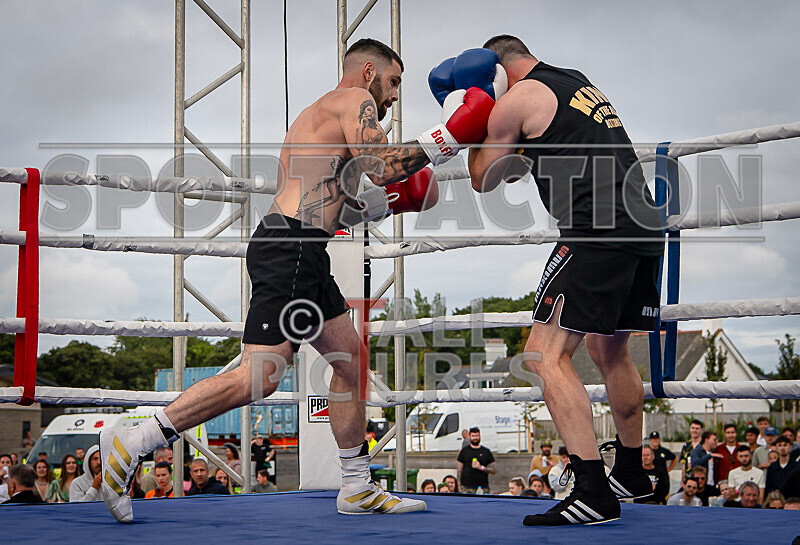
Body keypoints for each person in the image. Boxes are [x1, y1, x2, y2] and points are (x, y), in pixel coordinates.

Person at [98, 36, 492, 523]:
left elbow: (335, 195)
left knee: (349, 362)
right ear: (369, 72)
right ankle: (137, 439)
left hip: (305, 249)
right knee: (259, 376)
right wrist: (450, 135)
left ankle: (356, 486)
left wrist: (381, 203)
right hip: (292, 249)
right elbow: (382, 165)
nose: (393, 97)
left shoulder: (319, 115)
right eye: (392, 83)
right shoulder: (355, 100)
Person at [467, 35, 663, 525]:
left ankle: (593, 492)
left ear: (494, 70)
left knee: (543, 354)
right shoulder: (575, 83)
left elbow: (482, 177)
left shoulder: (516, 98)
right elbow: (517, 170)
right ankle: (633, 474)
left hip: (595, 230)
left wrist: (467, 112)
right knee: (608, 351)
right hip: (641, 225)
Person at [456, 427, 496, 494]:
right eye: (473, 436)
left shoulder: (486, 451)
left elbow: (493, 470)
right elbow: (459, 470)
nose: (475, 438)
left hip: (483, 487)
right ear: (470, 437)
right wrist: (459, 485)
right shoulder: (464, 451)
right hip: (466, 488)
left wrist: (481, 467)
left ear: (480, 436)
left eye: (477, 436)